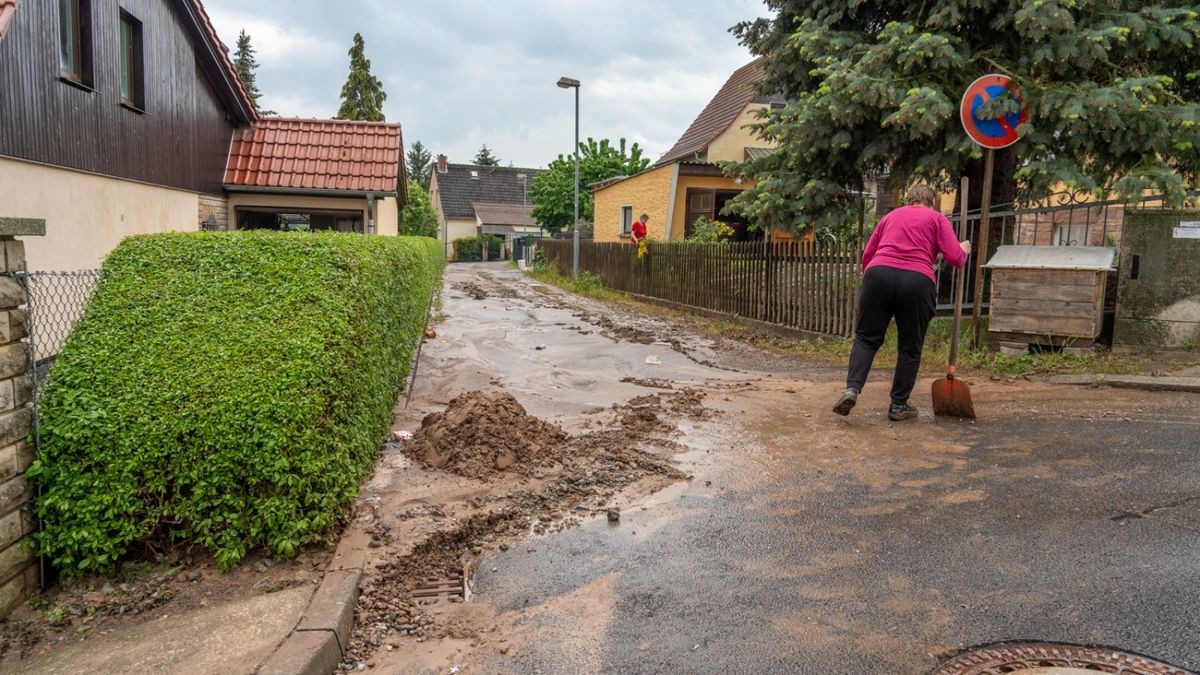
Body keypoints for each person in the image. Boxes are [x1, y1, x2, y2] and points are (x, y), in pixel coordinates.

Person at [832, 185, 971, 421]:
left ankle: (851, 390)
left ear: (909, 200)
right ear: (932, 201)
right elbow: (955, 259)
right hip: (917, 280)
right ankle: (898, 405)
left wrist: (871, 276)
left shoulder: (890, 216)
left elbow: (868, 253)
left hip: (878, 275)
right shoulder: (937, 218)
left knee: (866, 338)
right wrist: (964, 249)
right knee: (910, 346)